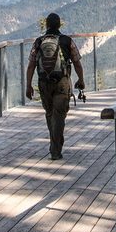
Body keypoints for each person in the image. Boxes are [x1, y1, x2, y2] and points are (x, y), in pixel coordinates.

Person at [24, 12, 85, 160]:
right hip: (61, 82)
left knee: (50, 114)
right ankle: (55, 149)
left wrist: (28, 86)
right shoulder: (67, 41)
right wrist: (81, 79)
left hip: (44, 83)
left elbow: (31, 65)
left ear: (47, 25)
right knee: (59, 115)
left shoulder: (38, 42)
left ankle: (55, 144)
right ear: (59, 25)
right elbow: (77, 62)